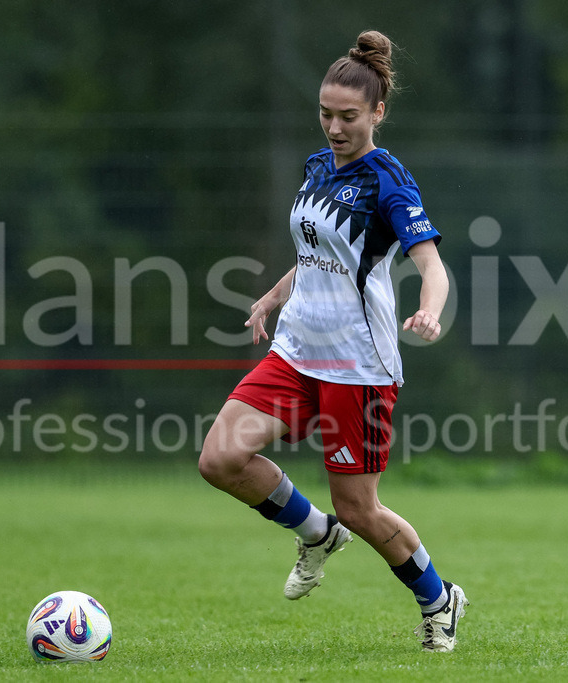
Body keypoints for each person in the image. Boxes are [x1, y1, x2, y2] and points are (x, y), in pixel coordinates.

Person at [198, 29, 465, 653]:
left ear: (377, 112)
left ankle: (438, 597)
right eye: (325, 114)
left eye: (348, 116)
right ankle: (315, 534)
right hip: (295, 353)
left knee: (360, 509)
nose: (334, 127)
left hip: (358, 368)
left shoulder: (389, 181)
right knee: (219, 460)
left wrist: (429, 312)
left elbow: (431, 265)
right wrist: (272, 296)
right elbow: (317, 253)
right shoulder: (319, 166)